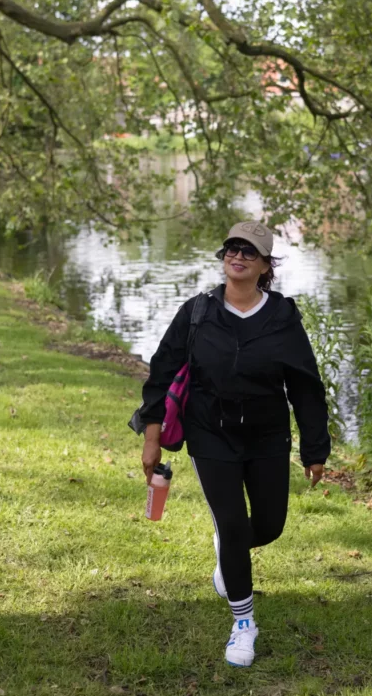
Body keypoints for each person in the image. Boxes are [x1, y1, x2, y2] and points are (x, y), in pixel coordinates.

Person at [137, 220, 330, 667]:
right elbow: (162, 374)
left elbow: (305, 386)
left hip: (267, 436)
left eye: (249, 250)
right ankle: (244, 623)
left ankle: (228, 551)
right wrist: (152, 439)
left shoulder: (282, 318)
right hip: (210, 433)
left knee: (268, 526)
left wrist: (314, 449)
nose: (237, 255)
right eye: (231, 248)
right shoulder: (198, 312)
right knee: (231, 522)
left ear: (266, 266)